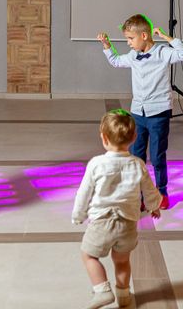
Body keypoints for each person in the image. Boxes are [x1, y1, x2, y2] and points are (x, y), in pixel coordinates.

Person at [97, 14, 183, 210]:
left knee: (157, 156)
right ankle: (137, 195)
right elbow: (115, 61)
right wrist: (107, 46)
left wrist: (167, 38)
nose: (129, 43)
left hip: (159, 113)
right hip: (138, 113)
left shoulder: (163, 53)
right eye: (127, 39)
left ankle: (161, 192)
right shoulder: (133, 56)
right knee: (136, 156)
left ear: (145, 36)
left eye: (131, 39)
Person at [72, 109, 162, 308]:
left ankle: (102, 290)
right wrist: (154, 205)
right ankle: (123, 296)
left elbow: (84, 192)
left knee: (88, 255)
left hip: (102, 223)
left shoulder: (96, 164)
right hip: (128, 224)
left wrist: (78, 215)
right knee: (122, 261)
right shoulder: (138, 164)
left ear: (104, 138)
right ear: (135, 137)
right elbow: (149, 190)